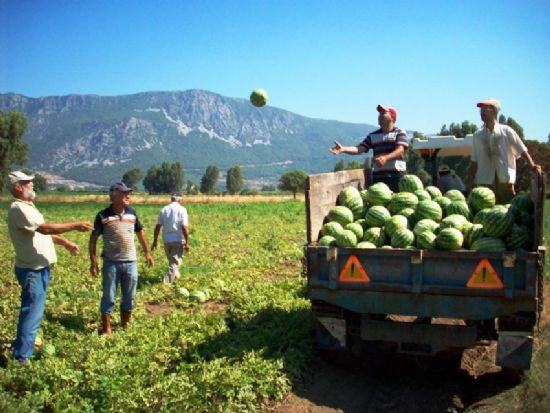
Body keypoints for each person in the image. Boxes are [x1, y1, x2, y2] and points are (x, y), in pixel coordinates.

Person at [7, 171, 93, 362]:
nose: (32, 185)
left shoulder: (28, 207)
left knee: (32, 312)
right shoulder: (19, 209)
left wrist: (65, 243)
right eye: (28, 183)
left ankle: (22, 349)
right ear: (18, 187)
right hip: (32, 271)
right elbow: (44, 229)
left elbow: (40, 234)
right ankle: (21, 359)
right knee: (32, 314)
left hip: (38, 269)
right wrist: (75, 225)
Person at [88, 182, 153, 336]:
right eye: (124, 194)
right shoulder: (103, 216)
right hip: (111, 263)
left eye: (128, 193)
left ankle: (125, 326)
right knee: (109, 295)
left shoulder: (132, 213)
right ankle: (107, 329)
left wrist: (147, 253)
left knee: (129, 296)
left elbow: (141, 233)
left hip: (131, 262)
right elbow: (93, 240)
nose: (128, 196)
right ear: (114, 196)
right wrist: (94, 262)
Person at [468, 98, 541, 204]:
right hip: (485, 181)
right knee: (488, 211)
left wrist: (532, 166)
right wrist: (470, 181)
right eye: (481, 110)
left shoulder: (506, 131)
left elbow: (522, 150)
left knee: (507, 208)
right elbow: (474, 160)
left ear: (493, 111)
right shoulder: (477, 135)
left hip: (505, 181)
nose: (481, 112)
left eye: (485, 109)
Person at [330, 104, 409, 192]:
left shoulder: (399, 132)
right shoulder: (373, 135)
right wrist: (343, 149)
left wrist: (386, 158)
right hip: (379, 179)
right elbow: (359, 148)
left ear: (392, 118)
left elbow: (400, 150)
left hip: (397, 177)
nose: (379, 116)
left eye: (383, 113)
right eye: (379, 114)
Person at [151, 193, 190, 284]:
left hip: (166, 240)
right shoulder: (182, 210)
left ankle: (176, 278)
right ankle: (166, 283)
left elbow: (158, 226)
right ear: (180, 200)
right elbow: (184, 227)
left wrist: (155, 240)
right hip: (177, 239)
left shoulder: (164, 209)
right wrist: (187, 242)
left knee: (172, 261)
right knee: (175, 263)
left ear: (171, 199)